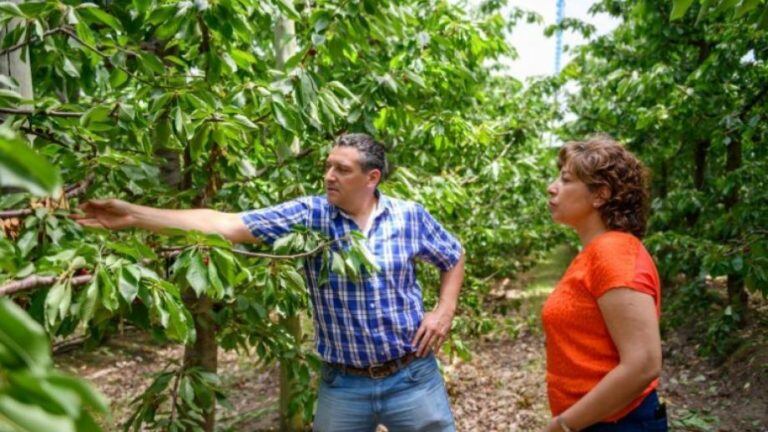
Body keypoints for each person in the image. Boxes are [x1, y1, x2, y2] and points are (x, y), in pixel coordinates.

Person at [74, 133, 465, 432]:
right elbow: (225, 224)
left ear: (372, 177)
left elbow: (453, 254)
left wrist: (443, 311)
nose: (329, 176)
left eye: (342, 170)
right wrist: (135, 216)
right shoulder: (311, 215)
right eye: (327, 166)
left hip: (411, 376)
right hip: (344, 385)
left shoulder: (409, 217)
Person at [541, 137, 668, 432]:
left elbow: (644, 363)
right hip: (598, 419)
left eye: (566, 179)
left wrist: (564, 424)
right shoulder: (595, 252)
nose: (552, 187)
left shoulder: (613, 253)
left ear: (600, 195)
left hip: (617, 422)